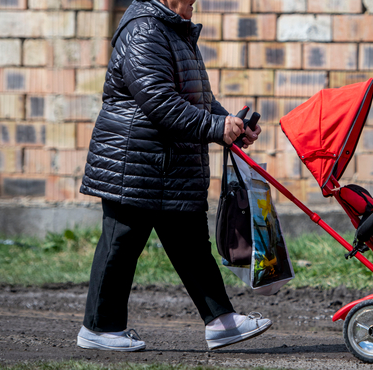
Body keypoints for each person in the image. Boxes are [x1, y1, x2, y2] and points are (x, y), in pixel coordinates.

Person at [76, 0, 268, 352]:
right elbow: (160, 100)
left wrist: (232, 126)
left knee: (192, 246)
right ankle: (99, 328)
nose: (195, 0)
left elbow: (197, 98)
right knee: (121, 243)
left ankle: (221, 321)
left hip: (171, 164)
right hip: (135, 163)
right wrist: (215, 127)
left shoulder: (174, 30)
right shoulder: (145, 31)